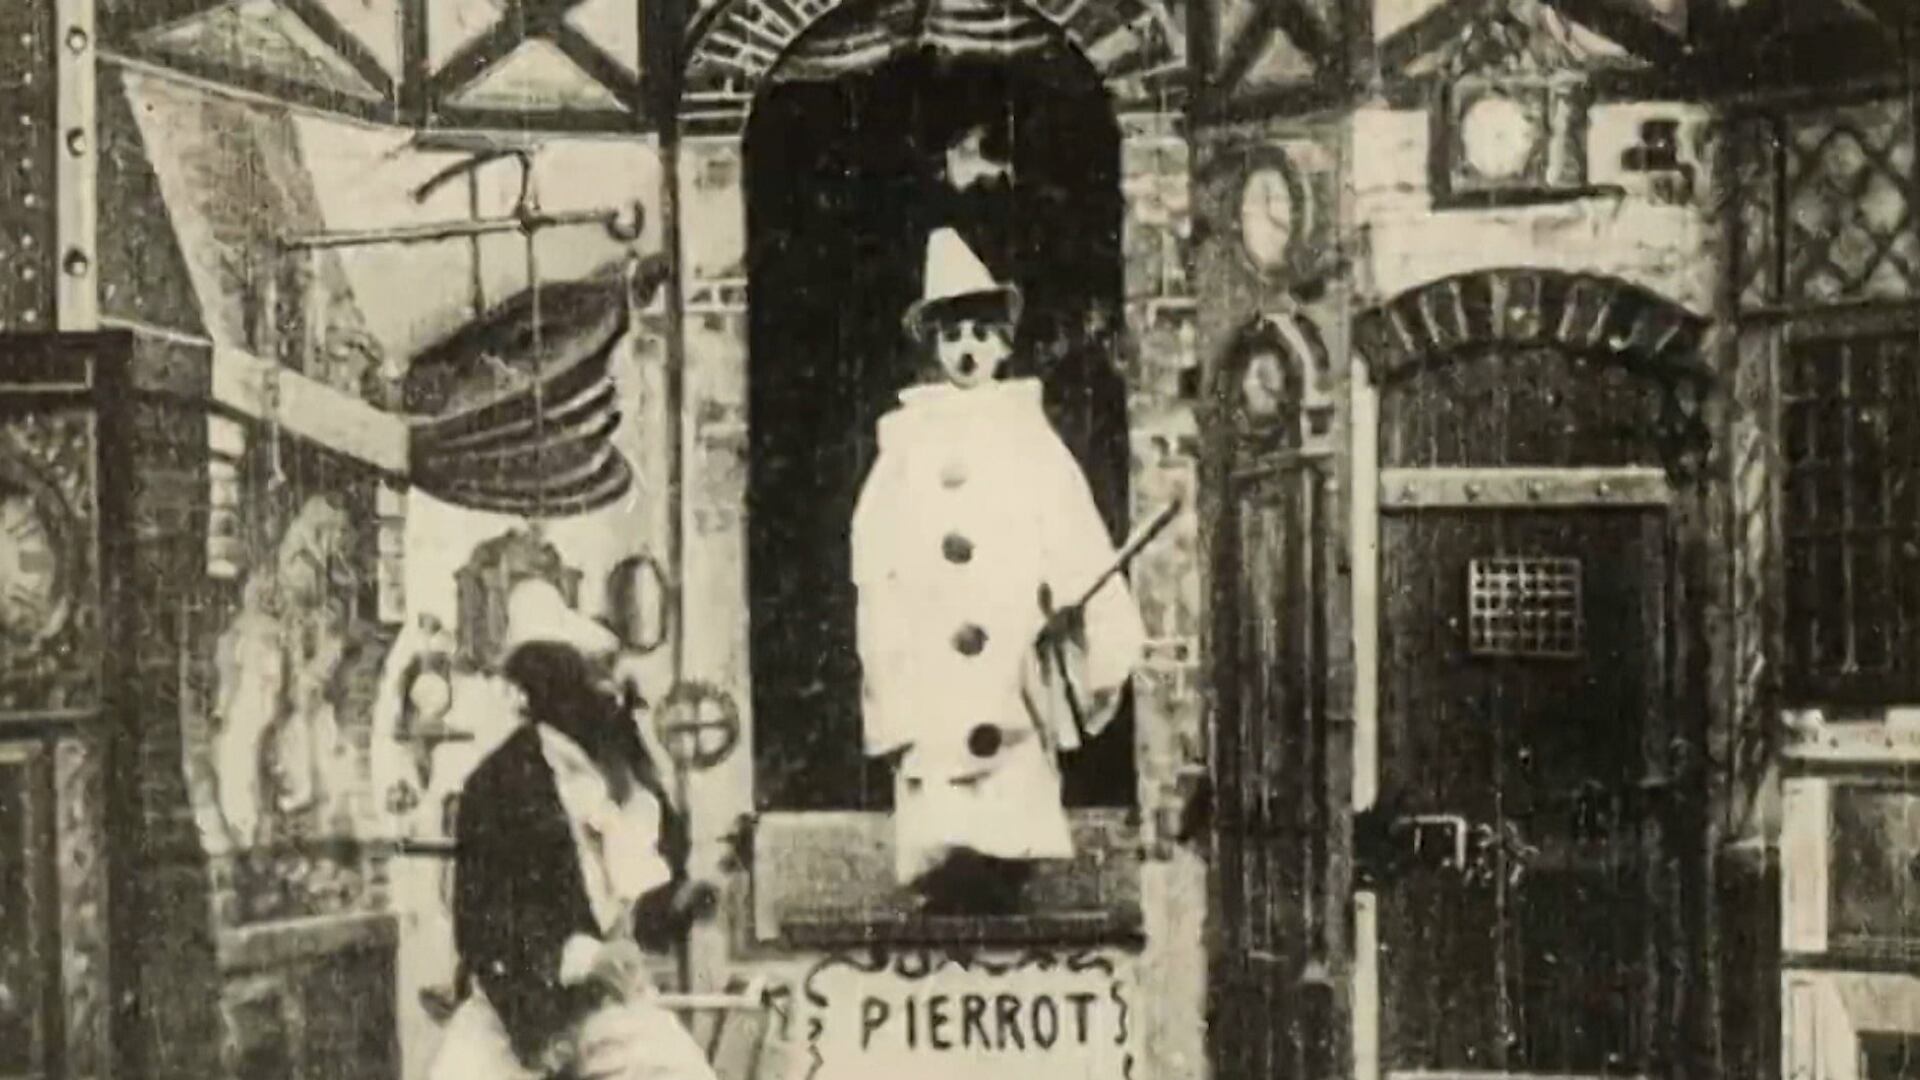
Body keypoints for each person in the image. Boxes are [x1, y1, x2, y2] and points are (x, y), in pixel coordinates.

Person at [850, 227, 1148, 913]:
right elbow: (876, 540)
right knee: (941, 765)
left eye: (982, 335)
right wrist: (891, 623)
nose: (968, 349)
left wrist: (1078, 599)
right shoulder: (908, 440)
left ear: (1004, 346)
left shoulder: (1026, 433)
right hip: (932, 634)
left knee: (1007, 760)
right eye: (953, 335)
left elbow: (1068, 522)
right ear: (933, 346)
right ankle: (946, 882)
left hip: (1009, 628)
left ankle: (1005, 880)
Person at [431, 578, 719, 1080]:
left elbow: (639, 913)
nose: (610, 696)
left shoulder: (625, 777)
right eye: (593, 680)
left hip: (607, 1011)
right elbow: (483, 929)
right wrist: (581, 960)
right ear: (553, 688)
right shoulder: (497, 785)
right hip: (516, 1014)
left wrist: (677, 903)